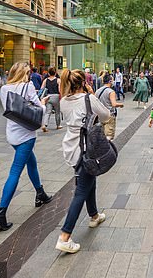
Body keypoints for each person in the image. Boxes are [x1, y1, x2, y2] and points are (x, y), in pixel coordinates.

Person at [0, 62, 53, 233]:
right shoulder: (28, 86)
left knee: (31, 163)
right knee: (15, 172)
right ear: (24, 73)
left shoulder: (4, 88)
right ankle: (0, 214)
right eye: (28, 72)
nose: (29, 75)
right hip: (26, 135)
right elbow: (38, 108)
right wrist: (42, 101)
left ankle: (40, 193)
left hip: (12, 134)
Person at [56, 69, 111, 254]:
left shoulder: (64, 101)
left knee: (88, 180)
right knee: (81, 190)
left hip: (71, 148)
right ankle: (65, 236)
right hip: (87, 149)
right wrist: (92, 94)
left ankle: (94, 215)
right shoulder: (88, 99)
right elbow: (106, 116)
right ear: (83, 83)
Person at [95, 74, 124, 140]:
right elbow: (114, 104)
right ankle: (107, 149)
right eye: (113, 80)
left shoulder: (97, 91)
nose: (113, 82)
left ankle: (101, 148)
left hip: (100, 115)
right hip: (109, 115)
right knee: (109, 136)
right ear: (110, 81)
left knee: (101, 135)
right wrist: (120, 105)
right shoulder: (111, 91)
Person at [40, 67, 62, 132]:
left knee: (48, 112)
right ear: (55, 73)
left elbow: (42, 89)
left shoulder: (45, 80)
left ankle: (45, 124)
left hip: (48, 96)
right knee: (57, 111)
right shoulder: (58, 80)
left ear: (48, 73)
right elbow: (59, 90)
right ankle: (58, 125)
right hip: (56, 96)